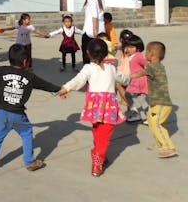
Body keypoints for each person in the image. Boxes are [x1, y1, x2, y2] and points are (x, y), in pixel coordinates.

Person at [0, 44, 63, 173]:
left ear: (10, 59)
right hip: (18, 114)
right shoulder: (30, 77)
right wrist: (59, 89)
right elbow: (45, 85)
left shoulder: (1, 71)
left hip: (0, 114)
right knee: (27, 133)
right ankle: (29, 161)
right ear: (25, 61)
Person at [58, 38, 130, 177]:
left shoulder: (88, 68)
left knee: (98, 133)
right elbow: (123, 78)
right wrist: (129, 79)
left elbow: (78, 80)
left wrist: (66, 88)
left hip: (95, 107)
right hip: (108, 107)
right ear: (106, 53)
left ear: (87, 52)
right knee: (103, 134)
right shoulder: (111, 68)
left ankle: (99, 154)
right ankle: (97, 161)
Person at [130, 41, 176, 158]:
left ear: (151, 54)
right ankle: (161, 143)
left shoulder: (152, 67)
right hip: (156, 102)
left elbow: (141, 73)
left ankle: (169, 148)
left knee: (155, 123)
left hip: (161, 103)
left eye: (147, 51)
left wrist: (128, 77)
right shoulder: (158, 66)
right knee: (152, 121)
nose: (145, 53)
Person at [124, 34, 149, 124]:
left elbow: (147, 64)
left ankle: (136, 114)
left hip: (139, 80)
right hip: (136, 80)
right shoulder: (133, 55)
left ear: (138, 48)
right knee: (141, 98)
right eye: (128, 46)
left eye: (132, 47)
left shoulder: (138, 56)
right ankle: (149, 116)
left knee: (128, 94)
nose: (129, 49)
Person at [80, 0, 105, 66]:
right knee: (98, 51)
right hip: (100, 28)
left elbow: (94, 15)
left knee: (87, 51)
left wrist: (94, 30)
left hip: (90, 30)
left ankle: (87, 69)